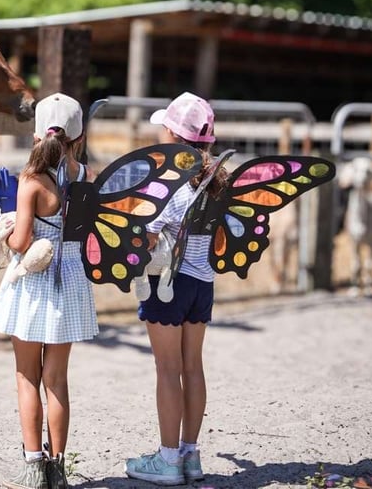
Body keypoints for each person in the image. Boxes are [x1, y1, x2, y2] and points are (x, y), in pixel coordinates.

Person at [0, 92, 99, 489]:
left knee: (26, 376)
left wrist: (0, 229)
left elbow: (20, 243)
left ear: (37, 137)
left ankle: (33, 467)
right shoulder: (87, 177)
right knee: (58, 379)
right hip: (70, 278)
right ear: (78, 138)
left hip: (34, 281)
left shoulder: (32, 180)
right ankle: (59, 467)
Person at [124, 92, 226, 486]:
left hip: (167, 285)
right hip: (203, 283)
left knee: (167, 370)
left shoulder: (168, 184)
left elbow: (147, 238)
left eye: (164, 128)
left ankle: (167, 461)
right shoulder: (216, 181)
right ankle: (190, 454)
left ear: (172, 134)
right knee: (192, 367)